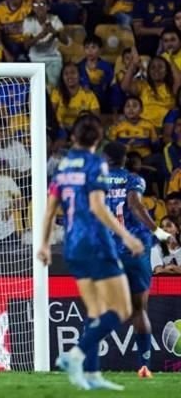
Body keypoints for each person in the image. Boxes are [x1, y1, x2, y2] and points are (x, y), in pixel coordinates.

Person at [37, 114, 144, 391]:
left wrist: (45, 245)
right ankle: (75, 354)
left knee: (96, 310)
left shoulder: (61, 168)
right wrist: (127, 236)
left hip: (72, 245)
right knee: (123, 309)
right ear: (98, 139)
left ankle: (93, 375)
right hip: (97, 243)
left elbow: (50, 212)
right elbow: (97, 207)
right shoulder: (96, 163)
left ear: (73, 138)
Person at [102, 142, 174, 377]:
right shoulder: (134, 180)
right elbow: (134, 204)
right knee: (139, 310)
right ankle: (144, 365)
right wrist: (158, 231)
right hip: (137, 251)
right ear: (125, 159)